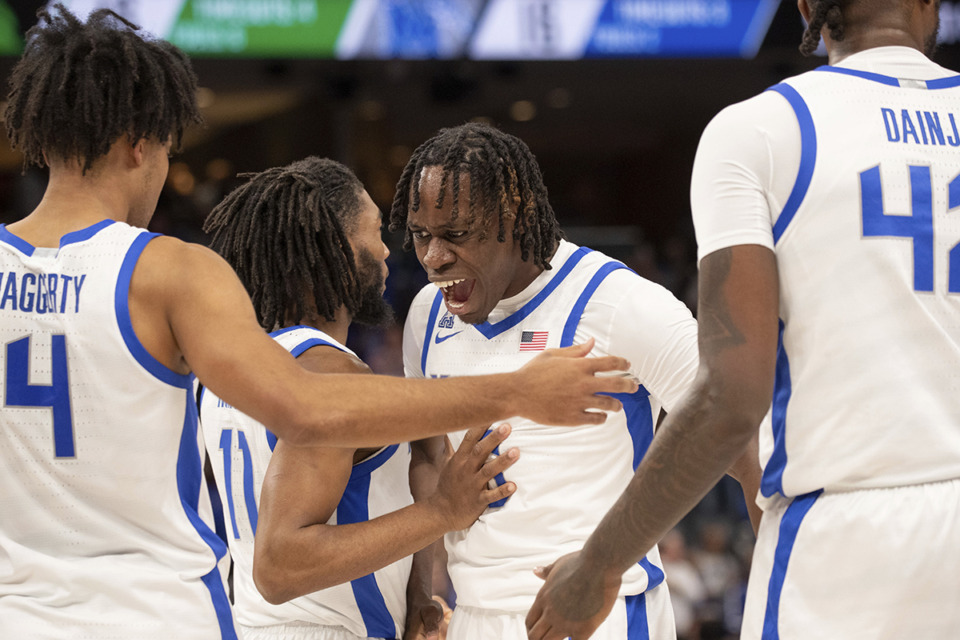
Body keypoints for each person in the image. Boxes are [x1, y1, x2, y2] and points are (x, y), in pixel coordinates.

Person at [0, 6, 638, 638]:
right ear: (140, 142)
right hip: (150, 616)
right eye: (168, 149)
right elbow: (305, 407)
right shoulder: (166, 272)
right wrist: (515, 392)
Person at [526, 1, 960, 639]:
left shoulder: (760, 130)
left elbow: (732, 399)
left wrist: (598, 566)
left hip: (846, 537)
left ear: (808, 6)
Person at [391, 122, 762, 640]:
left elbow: (746, 442)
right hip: (473, 616)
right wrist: (419, 595)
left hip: (598, 613)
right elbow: (429, 458)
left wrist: (777, 610)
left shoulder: (618, 302)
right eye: (421, 235)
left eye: (454, 234)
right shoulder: (426, 315)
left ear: (513, 214)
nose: (432, 258)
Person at [200, 156, 520, 640]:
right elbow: (280, 565)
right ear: (335, 248)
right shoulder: (329, 372)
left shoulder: (234, 370)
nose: (387, 250)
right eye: (374, 230)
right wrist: (442, 512)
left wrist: (415, 598)